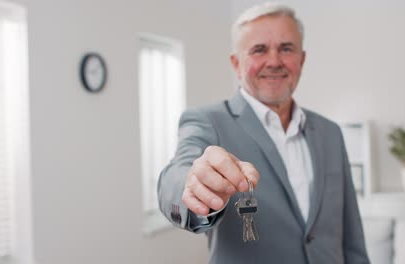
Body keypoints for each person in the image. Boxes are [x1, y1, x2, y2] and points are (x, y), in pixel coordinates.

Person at [158, 2, 370, 264]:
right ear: (236, 64)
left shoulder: (331, 133)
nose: (274, 61)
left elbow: (352, 237)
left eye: (286, 48)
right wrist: (190, 184)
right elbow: (177, 175)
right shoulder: (208, 121)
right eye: (259, 50)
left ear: (301, 59)